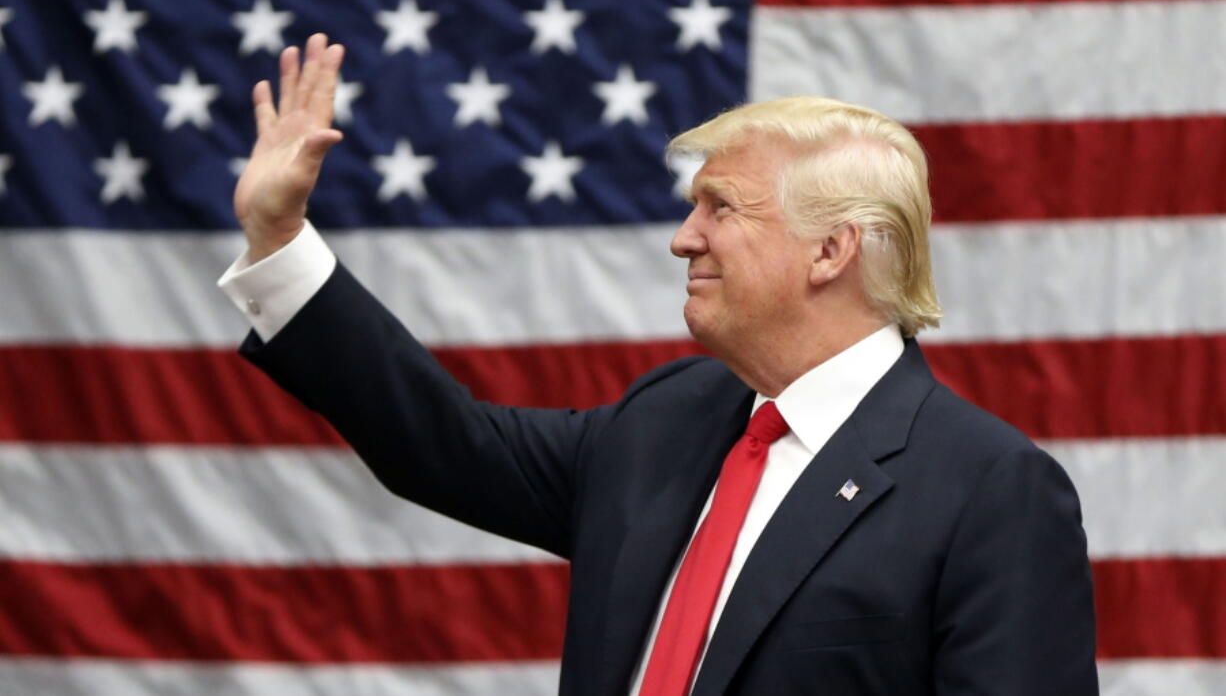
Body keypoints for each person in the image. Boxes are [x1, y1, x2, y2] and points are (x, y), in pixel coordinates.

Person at [219, 34, 1098, 695]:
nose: (685, 237)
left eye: (720, 207)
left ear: (830, 250)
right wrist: (279, 240)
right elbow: (446, 443)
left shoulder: (990, 490)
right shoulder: (669, 417)